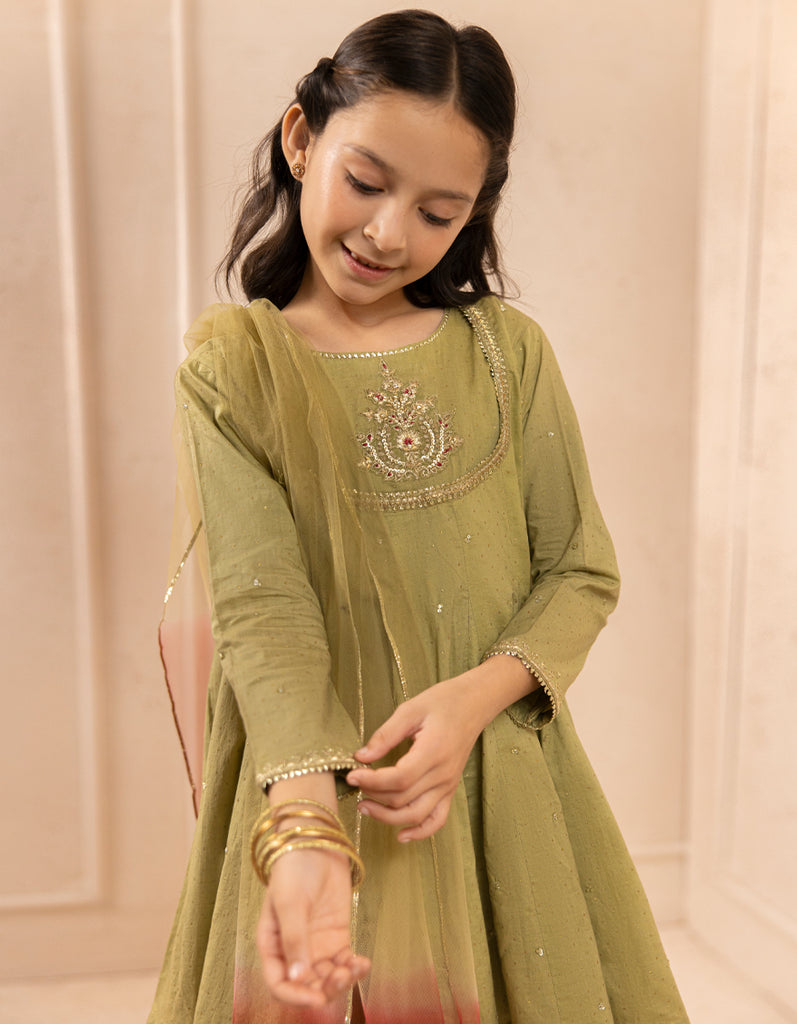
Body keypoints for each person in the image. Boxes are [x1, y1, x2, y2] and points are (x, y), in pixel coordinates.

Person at [150, 10, 690, 1024]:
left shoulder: (505, 352)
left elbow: (578, 569)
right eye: (365, 182)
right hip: (311, 786)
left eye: (438, 212)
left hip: (496, 787)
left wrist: (472, 702)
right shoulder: (234, 369)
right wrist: (305, 830)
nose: (389, 233)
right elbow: (263, 607)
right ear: (300, 138)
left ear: (473, 213)